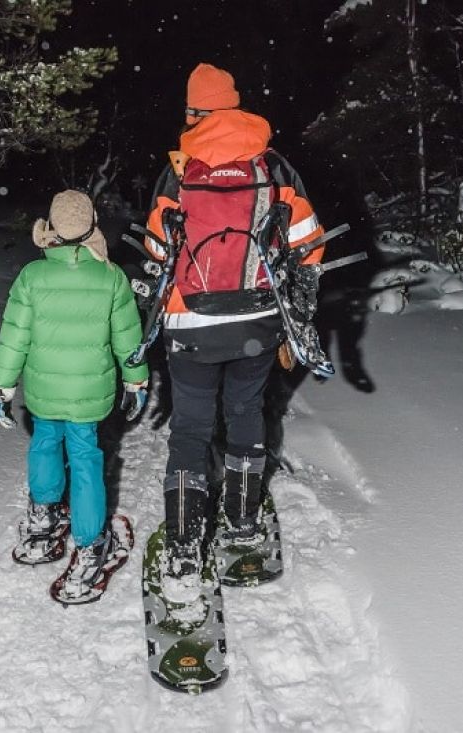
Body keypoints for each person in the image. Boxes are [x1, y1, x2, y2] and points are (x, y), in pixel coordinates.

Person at [142, 63, 327, 589]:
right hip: (257, 322)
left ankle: (182, 545)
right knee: (246, 416)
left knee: (191, 430)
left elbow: (158, 250)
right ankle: (243, 524)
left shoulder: (179, 170)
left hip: (191, 325)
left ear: (195, 112)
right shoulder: (272, 166)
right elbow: (310, 243)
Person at [0, 189, 150, 604]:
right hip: (90, 392)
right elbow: (128, 336)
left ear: (53, 228)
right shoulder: (110, 277)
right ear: (91, 224)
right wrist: (136, 380)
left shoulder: (32, 277)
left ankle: (42, 523)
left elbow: (13, 338)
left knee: (44, 443)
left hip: (44, 391)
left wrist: (2, 387)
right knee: (84, 458)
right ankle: (91, 545)